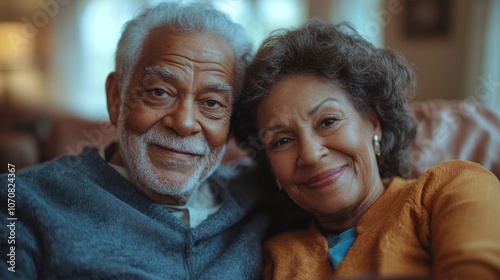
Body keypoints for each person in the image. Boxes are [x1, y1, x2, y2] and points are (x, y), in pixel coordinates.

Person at [0, 2, 270, 279]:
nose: (184, 122)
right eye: (160, 92)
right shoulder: (21, 202)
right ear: (116, 97)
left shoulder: (259, 197)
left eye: (212, 102)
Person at [233, 20, 500, 279]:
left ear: (373, 122)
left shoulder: (451, 187)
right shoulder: (275, 255)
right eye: (282, 141)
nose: (311, 155)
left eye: (328, 121)